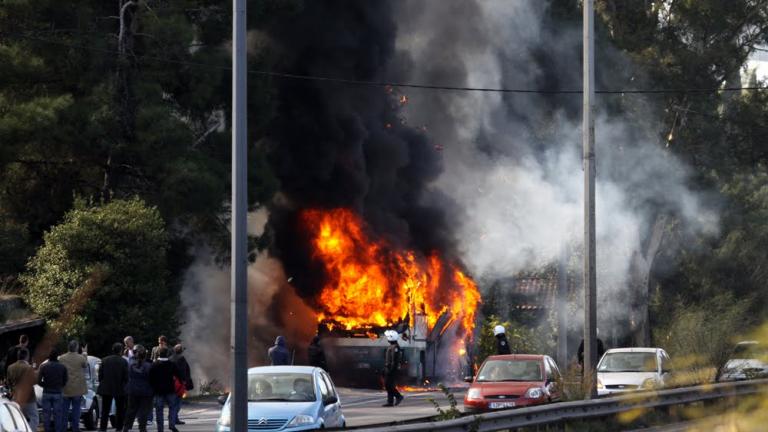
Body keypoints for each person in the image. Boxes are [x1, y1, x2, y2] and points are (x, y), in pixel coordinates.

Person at [149, 347, 182, 432]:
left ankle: (160, 429)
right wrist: (182, 383)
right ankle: (171, 424)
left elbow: (150, 378)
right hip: (170, 390)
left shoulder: (154, 364)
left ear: (158, 354)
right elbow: (179, 375)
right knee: (172, 407)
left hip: (158, 391)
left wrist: (153, 388)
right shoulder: (171, 364)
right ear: (167, 354)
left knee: (159, 410)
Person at [122, 345, 153, 432]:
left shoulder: (130, 364)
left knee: (131, 409)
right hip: (146, 391)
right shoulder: (149, 366)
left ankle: (126, 427)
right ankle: (142, 428)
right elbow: (152, 378)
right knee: (143, 410)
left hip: (132, 390)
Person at [98, 343, 128, 432]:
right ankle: (119, 428)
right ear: (121, 351)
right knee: (120, 409)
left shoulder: (104, 360)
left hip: (106, 387)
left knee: (105, 409)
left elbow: (100, 375)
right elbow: (126, 377)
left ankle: (103, 428)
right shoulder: (123, 361)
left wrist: (103, 382)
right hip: (119, 387)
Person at [7, 348, 38, 432]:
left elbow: (8, 382)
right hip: (29, 398)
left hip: (16, 397)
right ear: (27, 356)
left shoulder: (10, 367)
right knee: (34, 418)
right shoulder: (29, 368)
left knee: (18, 420)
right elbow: (35, 381)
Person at [59, 340, 87, 432]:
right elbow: (85, 365)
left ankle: (63, 428)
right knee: (76, 410)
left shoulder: (61, 358)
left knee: (64, 411)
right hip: (77, 388)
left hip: (65, 388)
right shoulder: (80, 357)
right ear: (76, 347)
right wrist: (85, 352)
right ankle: (75, 428)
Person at [38, 348, 67, 432]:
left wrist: (44, 385)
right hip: (58, 392)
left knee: (46, 415)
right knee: (58, 414)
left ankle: (47, 429)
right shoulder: (62, 367)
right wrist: (60, 386)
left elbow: (38, 380)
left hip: (47, 392)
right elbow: (65, 380)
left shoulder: (44, 366)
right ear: (57, 357)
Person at [169, 344, 192, 426]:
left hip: (171, 383)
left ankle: (175, 418)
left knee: (173, 402)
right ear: (181, 351)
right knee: (178, 402)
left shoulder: (170, 358)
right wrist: (185, 381)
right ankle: (173, 418)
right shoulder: (181, 359)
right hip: (179, 383)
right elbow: (183, 371)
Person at [381, 330, 404, 407]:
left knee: (388, 385)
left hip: (392, 369)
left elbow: (394, 360)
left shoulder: (395, 348)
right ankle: (390, 402)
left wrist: (390, 370)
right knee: (389, 385)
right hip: (389, 368)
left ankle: (399, 396)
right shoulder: (392, 346)